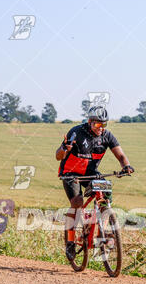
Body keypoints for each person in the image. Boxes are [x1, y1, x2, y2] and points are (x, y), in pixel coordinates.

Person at [56, 105, 134, 260]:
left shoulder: (107, 136)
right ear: (89, 121)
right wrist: (64, 149)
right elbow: (58, 156)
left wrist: (126, 166)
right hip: (71, 173)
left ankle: (102, 231)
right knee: (77, 202)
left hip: (91, 173)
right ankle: (70, 241)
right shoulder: (76, 132)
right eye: (98, 124)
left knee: (106, 193)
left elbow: (121, 155)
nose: (101, 128)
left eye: (104, 124)